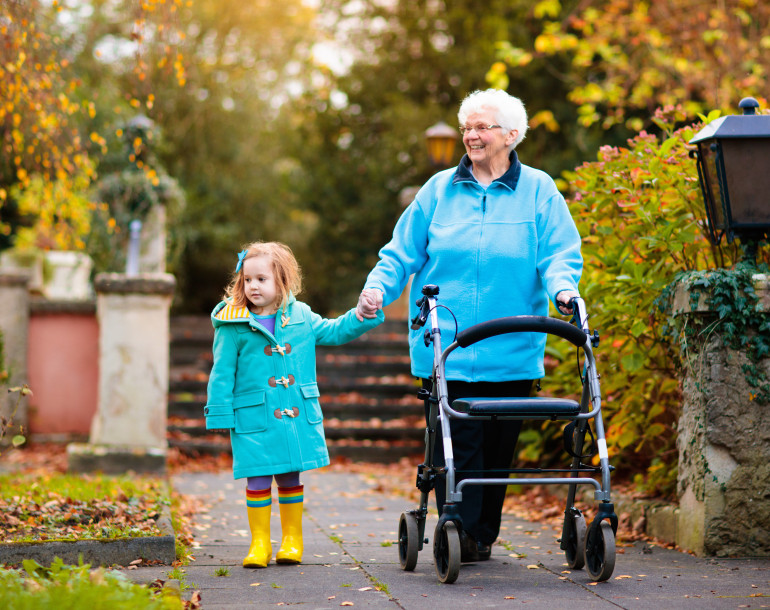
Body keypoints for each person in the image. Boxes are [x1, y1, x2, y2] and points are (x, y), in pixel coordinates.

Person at [356, 89, 582, 562]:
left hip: (512, 344)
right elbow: (400, 253)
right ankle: (458, 526)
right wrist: (378, 288)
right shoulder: (438, 190)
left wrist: (564, 290)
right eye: (467, 127)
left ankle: (480, 533)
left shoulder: (539, 190)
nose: (472, 135)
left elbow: (559, 253)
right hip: (445, 343)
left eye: (482, 127)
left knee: (497, 454)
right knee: (455, 443)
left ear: (511, 135)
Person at [205, 241, 384, 568]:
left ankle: (292, 540)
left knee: (289, 477)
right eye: (248, 280)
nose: (253, 286)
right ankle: (260, 543)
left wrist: (360, 315)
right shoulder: (232, 324)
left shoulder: (300, 316)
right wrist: (219, 410)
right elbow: (221, 372)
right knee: (257, 479)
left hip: (293, 416)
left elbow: (334, 331)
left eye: (262, 279)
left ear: (282, 280)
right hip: (253, 416)